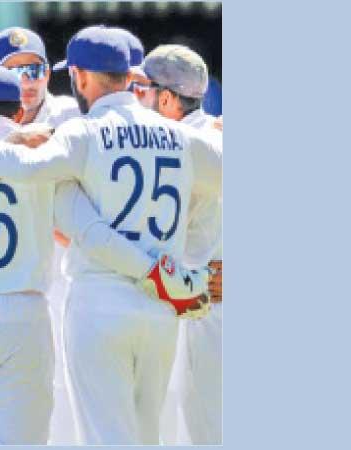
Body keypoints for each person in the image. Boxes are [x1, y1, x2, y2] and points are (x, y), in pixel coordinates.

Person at [0, 26, 222, 444]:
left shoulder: (85, 130)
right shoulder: (181, 134)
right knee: (148, 436)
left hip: (101, 302)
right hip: (161, 309)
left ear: (80, 76)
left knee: (105, 437)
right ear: (130, 78)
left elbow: (26, 167)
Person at [136, 44, 223, 445]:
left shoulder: (177, 146)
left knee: (202, 433)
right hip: (203, 298)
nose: (136, 99)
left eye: (142, 90)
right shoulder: (215, 134)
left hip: (202, 306)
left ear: (167, 99)